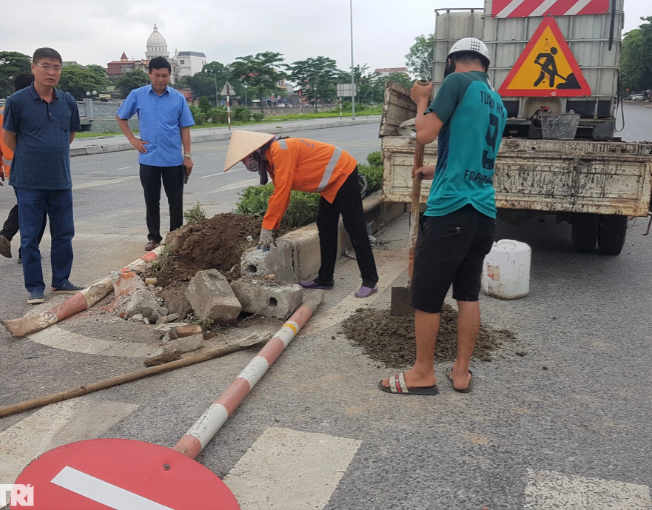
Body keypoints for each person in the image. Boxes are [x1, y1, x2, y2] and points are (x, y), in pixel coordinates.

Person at [379, 38, 506, 395]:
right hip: (483, 211)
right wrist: (434, 170)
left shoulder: (456, 82)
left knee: (427, 297)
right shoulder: (497, 102)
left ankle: (423, 373)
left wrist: (421, 101)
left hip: (451, 210)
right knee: (468, 295)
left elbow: (424, 132)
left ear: (452, 62)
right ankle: (461, 372)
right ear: (485, 64)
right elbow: (474, 155)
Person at [224, 131, 379, 298]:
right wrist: (273, 225)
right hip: (330, 183)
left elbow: (283, 192)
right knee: (325, 226)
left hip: (343, 173)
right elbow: (280, 193)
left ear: (255, 150)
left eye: (246, 158)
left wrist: (267, 226)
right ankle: (325, 279)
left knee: (354, 226)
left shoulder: (279, 150)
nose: (246, 163)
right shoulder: (270, 158)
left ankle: (370, 280)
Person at [2, 47, 82, 305]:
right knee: (29, 236)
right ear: (33, 68)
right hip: (28, 182)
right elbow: (9, 138)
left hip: (60, 180)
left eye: (56, 67)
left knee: (63, 233)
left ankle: (61, 280)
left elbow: (69, 135)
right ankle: (35, 287)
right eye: (46, 66)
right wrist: (32, 158)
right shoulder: (17, 101)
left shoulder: (67, 101)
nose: (51, 72)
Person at [116, 57, 195, 252]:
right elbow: (121, 116)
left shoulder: (178, 98)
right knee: (151, 200)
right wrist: (132, 139)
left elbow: (185, 128)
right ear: (150, 74)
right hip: (148, 158)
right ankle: (153, 237)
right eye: (157, 75)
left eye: (165, 76)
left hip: (173, 160)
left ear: (170, 76)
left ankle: (175, 235)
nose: (161, 79)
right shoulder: (137, 95)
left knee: (175, 201)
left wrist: (188, 155)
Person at [0, 73, 46, 264]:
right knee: (38, 207)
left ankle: (7, 235)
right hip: (32, 167)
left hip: (11, 169)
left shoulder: (1, 111)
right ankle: (26, 250)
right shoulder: (30, 108)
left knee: (27, 203)